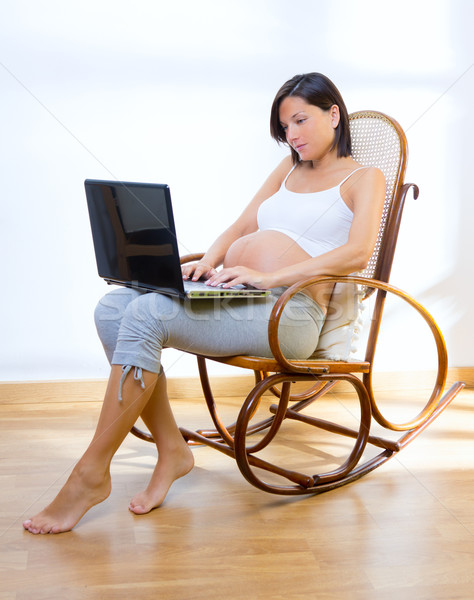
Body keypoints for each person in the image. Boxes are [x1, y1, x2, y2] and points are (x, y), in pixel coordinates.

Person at [23, 72, 385, 534]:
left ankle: (89, 475)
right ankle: (172, 449)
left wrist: (269, 274)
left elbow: (357, 252)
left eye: (300, 121)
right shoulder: (290, 169)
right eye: (284, 127)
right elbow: (239, 227)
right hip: (235, 294)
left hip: (289, 314)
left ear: (334, 114)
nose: (292, 136)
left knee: (148, 314)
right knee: (113, 308)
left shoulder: (363, 177)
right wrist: (206, 263)